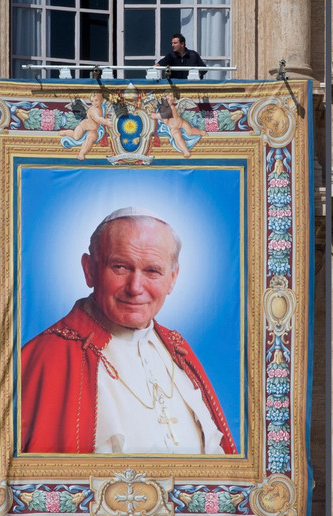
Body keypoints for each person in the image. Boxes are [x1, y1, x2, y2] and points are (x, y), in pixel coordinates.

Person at [21, 207, 235, 455]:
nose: (135, 288)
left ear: (173, 278)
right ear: (89, 269)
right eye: (120, 267)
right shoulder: (46, 356)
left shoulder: (178, 349)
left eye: (152, 271)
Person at [59, 92, 111, 161]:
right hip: (83, 126)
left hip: (94, 130)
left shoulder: (103, 108)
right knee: (76, 137)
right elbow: (98, 119)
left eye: (96, 100)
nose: (94, 103)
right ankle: (66, 132)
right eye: (92, 101)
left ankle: (82, 153)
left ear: (101, 100)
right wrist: (106, 122)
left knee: (90, 138)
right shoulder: (93, 110)